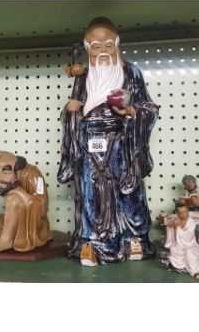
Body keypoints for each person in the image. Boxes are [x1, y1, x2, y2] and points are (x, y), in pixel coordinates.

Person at [57, 17, 159, 265]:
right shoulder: (82, 78)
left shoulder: (131, 72)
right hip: (88, 144)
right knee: (91, 193)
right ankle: (90, 242)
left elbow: (148, 107)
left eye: (107, 45)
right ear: (87, 49)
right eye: (95, 47)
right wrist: (70, 111)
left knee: (128, 190)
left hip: (122, 142)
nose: (102, 52)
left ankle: (133, 238)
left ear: (117, 44)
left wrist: (133, 112)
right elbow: (74, 111)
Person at [162, 205, 199, 279]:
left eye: (185, 212)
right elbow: (166, 223)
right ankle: (179, 266)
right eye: (181, 212)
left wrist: (177, 227)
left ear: (188, 211)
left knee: (189, 252)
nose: (184, 214)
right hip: (178, 245)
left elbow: (188, 237)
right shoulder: (175, 219)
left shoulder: (191, 222)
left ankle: (195, 271)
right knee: (173, 249)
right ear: (177, 213)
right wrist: (171, 227)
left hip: (190, 245)